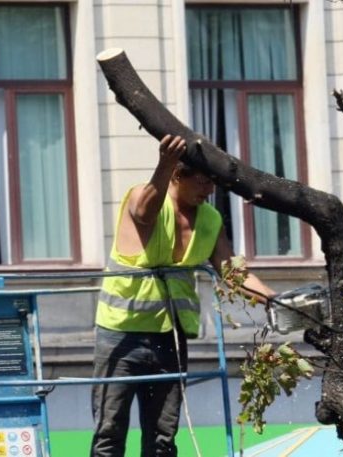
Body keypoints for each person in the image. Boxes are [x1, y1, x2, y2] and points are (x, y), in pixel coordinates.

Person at [90, 134, 275, 457]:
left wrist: (274, 301)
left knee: (163, 438)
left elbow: (233, 272)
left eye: (214, 182)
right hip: (121, 336)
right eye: (204, 181)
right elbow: (145, 213)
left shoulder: (210, 219)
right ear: (178, 174)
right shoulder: (143, 199)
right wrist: (164, 162)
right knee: (110, 432)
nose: (210, 191)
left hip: (170, 340)